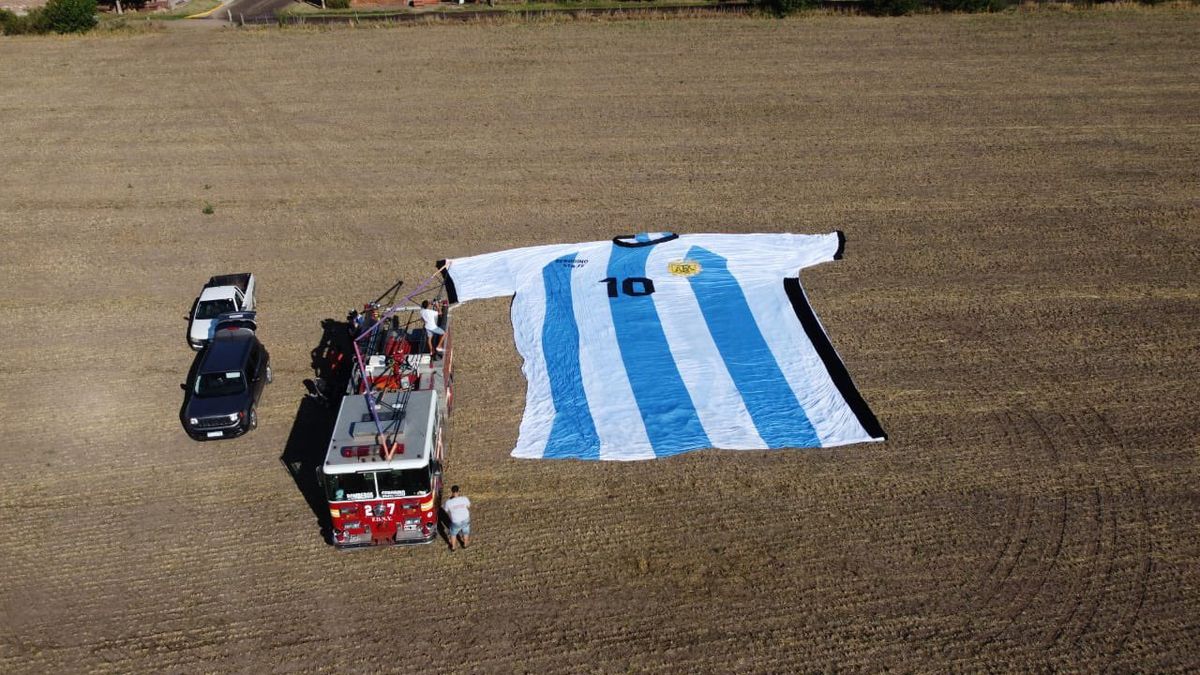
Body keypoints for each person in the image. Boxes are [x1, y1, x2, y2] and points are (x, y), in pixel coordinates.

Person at [443, 485, 471, 551]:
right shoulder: (464, 498)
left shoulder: (448, 502)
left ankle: (453, 547)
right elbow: (468, 506)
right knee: (465, 532)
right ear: (458, 491)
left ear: (451, 492)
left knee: (453, 534)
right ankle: (465, 544)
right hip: (465, 518)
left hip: (456, 521)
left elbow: (446, 510)